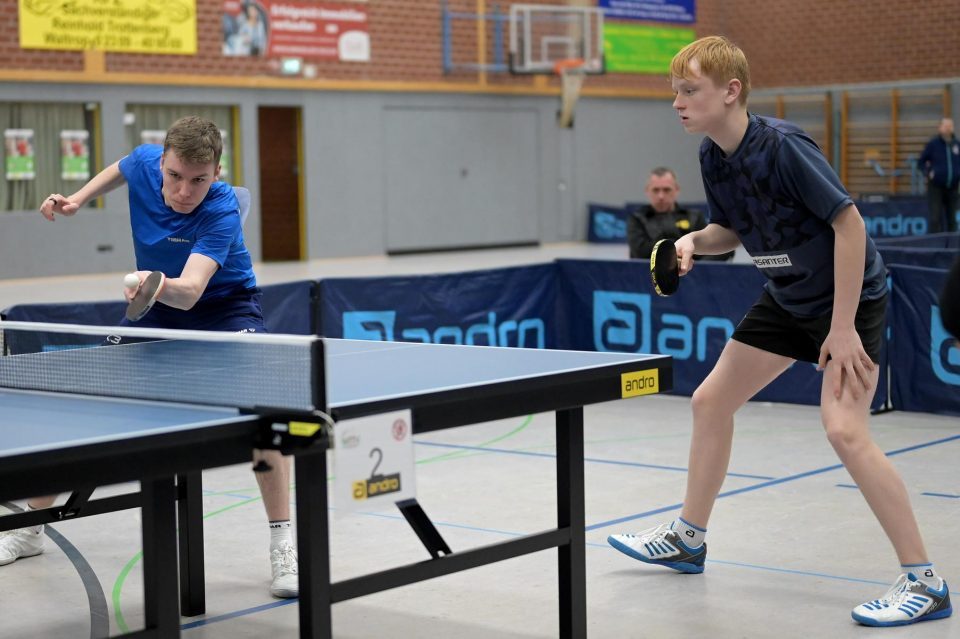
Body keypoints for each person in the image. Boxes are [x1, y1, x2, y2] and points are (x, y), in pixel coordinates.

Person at [607, 36, 951, 628]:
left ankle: (926, 582)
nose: (677, 103)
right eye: (675, 92)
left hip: (849, 300)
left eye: (689, 90)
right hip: (788, 297)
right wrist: (692, 242)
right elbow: (732, 229)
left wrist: (842, 328)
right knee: (710, 401)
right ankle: (689, 539)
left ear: (730, 91)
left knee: (844, 430)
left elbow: (850, 226)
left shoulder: (784, 147)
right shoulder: (713, 156)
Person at [0, 116, 299, 600]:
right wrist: (78, 198)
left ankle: (283, 545)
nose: (184, 191)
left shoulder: (220, 208)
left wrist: (150, 283)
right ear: (161, 163)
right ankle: (31, 528)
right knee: (86, 395)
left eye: (199, 180)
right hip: (157, 306)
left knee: (266, 414)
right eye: (175, 175)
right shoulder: (144, 162)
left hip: (224, 309)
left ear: (217, 173)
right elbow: (120, 168)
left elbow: (191, 291)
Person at [627, 166, 733, 261]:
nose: (661, 196)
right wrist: (685, 247)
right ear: (647, 191)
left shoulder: (694, 217)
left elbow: (718, 248)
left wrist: (694, 269)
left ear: (677, 190)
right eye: (656, 190)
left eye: (666, 190)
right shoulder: (637, 218)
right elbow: (640, 253)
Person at [918, 117, 960, 234]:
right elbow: (921, 162)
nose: (948, 129)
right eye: (945, 126)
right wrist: (928, 172)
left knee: (952, 220)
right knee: (935, 219)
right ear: (940, 128)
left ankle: (953, 245)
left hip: (953, 187)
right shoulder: (933, 144)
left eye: (950, 126)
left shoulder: (957, 145)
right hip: (936, 187)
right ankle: (935, 244)